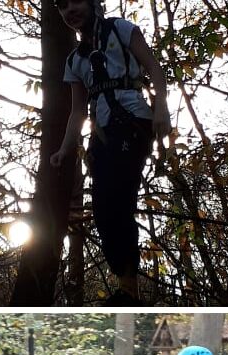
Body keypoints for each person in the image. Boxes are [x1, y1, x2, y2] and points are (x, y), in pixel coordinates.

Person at [50, 0, 171, 305]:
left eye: (75, 2)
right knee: (104, 210)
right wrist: (65, 149)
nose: (69, 11)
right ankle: (126, 285)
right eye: (62, 7)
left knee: (118, 197)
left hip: (133, 121)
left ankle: (130, 290)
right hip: (102, 134)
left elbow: (154, 68)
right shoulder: (75, 60)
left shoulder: (121, 29)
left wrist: (162, 111)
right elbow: (77, 111)